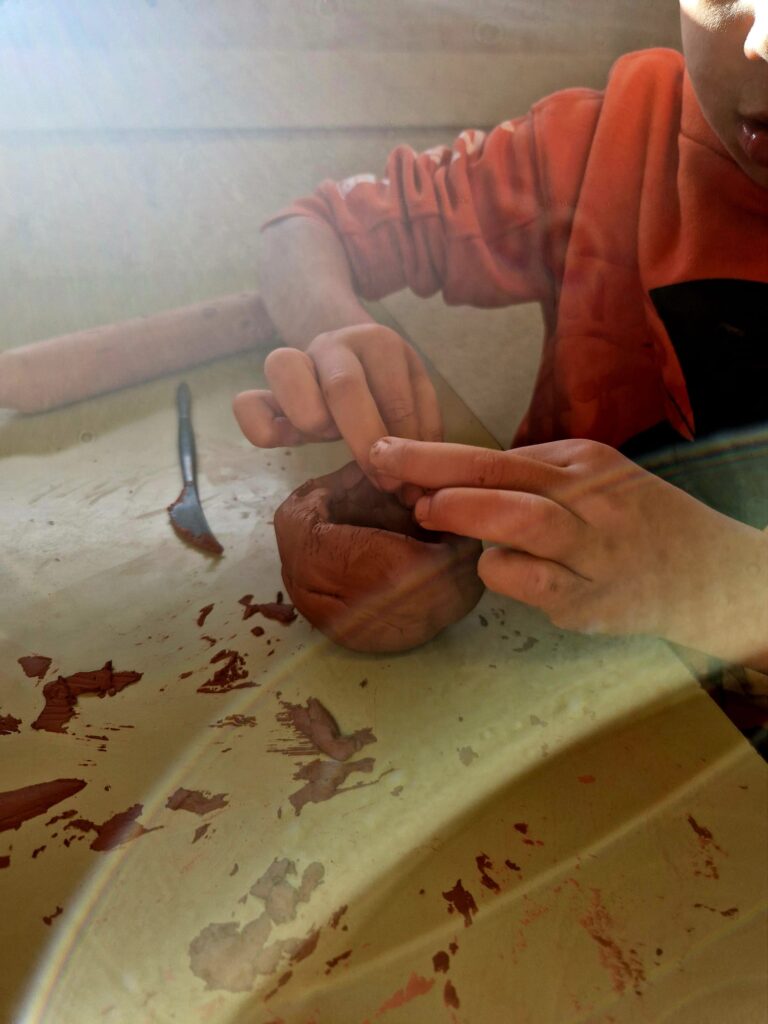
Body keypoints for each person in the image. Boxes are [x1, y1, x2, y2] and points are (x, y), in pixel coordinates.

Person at [233, 2, 768, 722]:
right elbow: (304, 230)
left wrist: (726, 581)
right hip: (566, 706)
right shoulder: (605, 145)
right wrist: (340, 336)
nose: (765, 41)